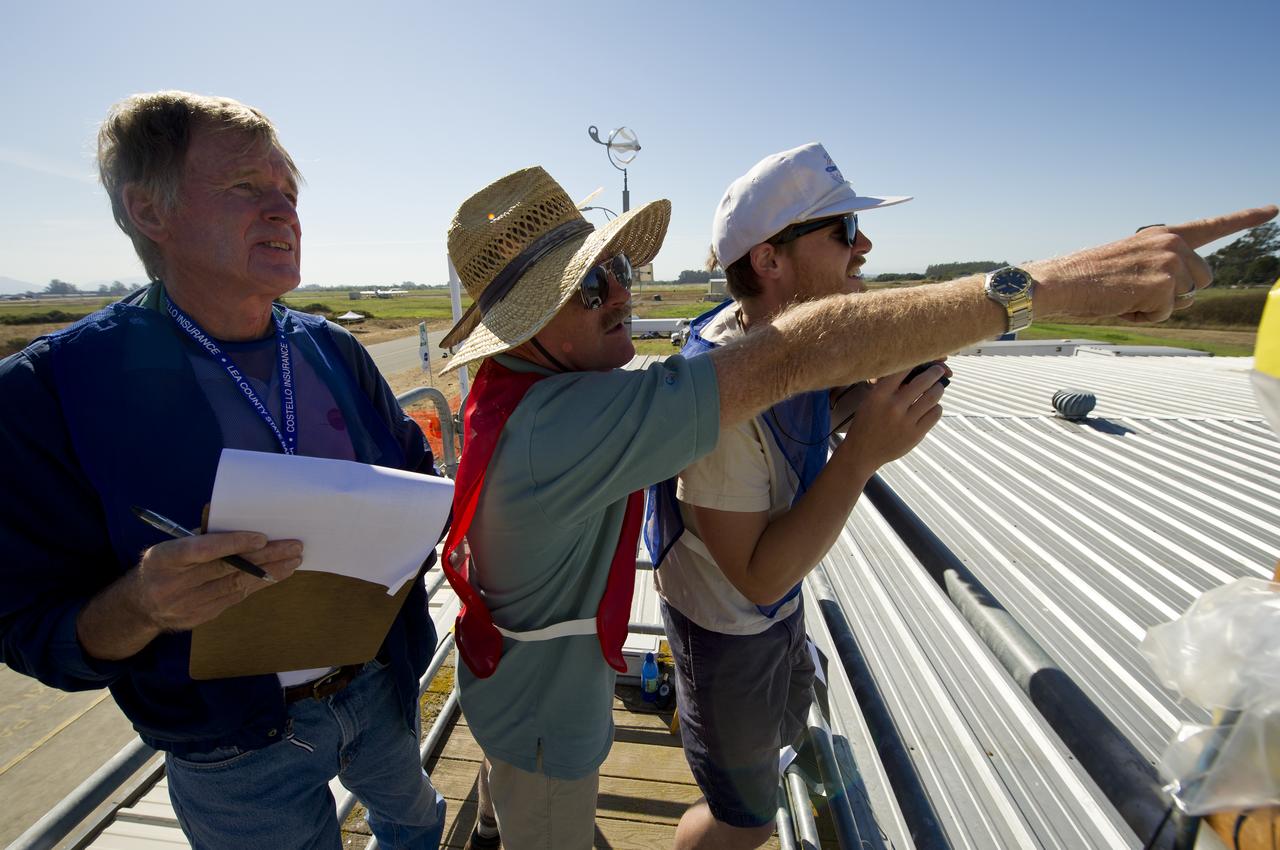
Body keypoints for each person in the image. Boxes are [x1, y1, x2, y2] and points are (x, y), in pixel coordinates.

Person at [437, 162, 1273, 849]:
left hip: (511, 675)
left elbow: (805, 366)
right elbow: (792, 359)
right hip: (550, 711)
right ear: (523, 328)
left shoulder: (527, 395)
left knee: (503, 795)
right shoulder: (565, 426)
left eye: (616, 271)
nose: (621, 293)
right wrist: (1050, 288)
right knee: (550, 813)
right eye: (591, 289)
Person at [0, 91, 445, 850]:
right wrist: (142, 603)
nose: (284, 212)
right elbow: (31, 630)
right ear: (150, 212)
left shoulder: (333, 350)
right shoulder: (46, 393)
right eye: (245, 187)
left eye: (289, 193)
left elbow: (414, 468)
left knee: (418, 821)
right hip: (232, 747)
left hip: (376, 684)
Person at [645, 142, 949, 849]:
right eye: (842, 230)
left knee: (759, 786)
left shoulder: (788, 344)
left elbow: (803, 424)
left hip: (767, 623)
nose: (864, 245)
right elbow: (758, 574)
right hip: (730, 634)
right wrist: (865, 452)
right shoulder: (722, 397)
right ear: (770, 261)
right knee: (742, 823)